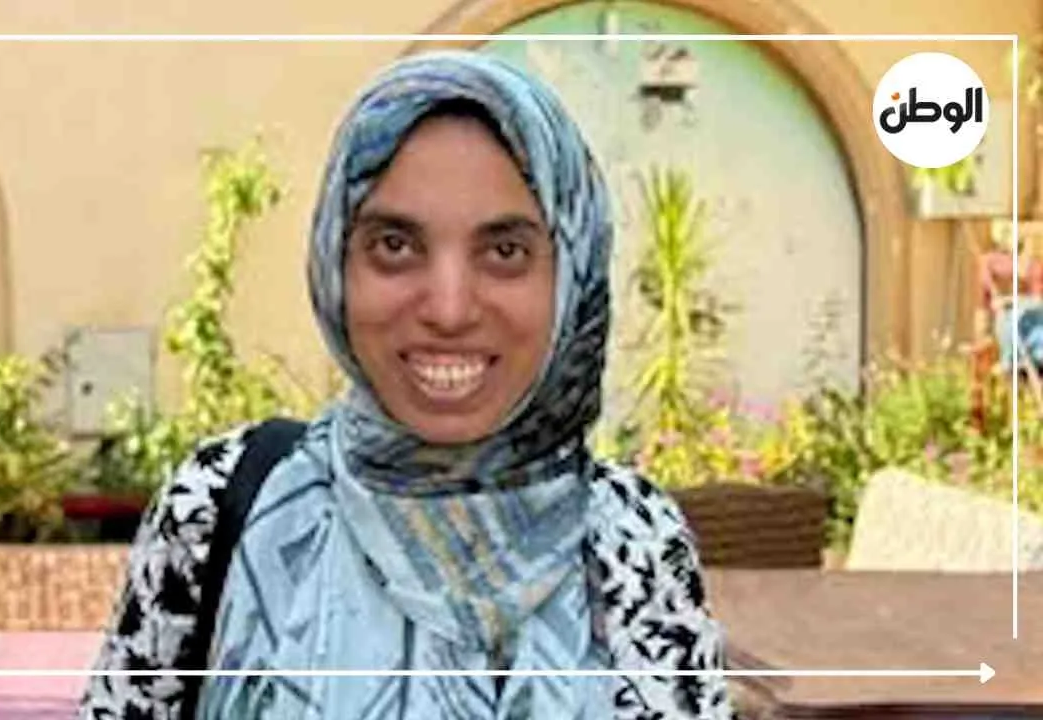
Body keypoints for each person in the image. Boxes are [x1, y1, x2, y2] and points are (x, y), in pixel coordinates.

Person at [78, 50, 734, 719]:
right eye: (395, 245)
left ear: (571, 276)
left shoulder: (632, 542)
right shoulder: (222, 504)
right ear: (336, 263)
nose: (448, 309)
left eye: (505, 251)